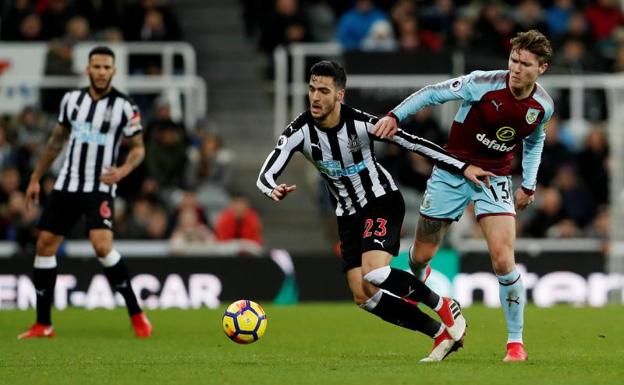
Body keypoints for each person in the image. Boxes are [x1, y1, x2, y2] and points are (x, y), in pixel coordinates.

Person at [257, 60, 495, 361]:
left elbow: (414, 143)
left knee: (374, 272)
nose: (315, 97)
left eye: (324, 91)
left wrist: (462, 167)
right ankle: (439, 334)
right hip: (347, 215)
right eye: (312, 89)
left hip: (380, 200)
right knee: (363, 295)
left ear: (339, 95)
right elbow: (267, 172)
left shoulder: (361, 123)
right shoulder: (300, 131)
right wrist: (271, 188)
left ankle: (444, 304)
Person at [373, 30, 554, 362]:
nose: (515, 68)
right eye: (513, 60)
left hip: (494, 178)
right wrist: (394, 116)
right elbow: (430, 94)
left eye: (525, 64)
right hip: (451, 172)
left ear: (541, 68)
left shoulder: (542, 105)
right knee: (422, 255)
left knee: (503, 260)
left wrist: (528, 184)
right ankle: (419, 284)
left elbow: (533, 141)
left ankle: (515, 343)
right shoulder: (481, 83)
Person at [18, 46, 152, 339]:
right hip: (67, 183)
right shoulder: (72, 100)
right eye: (97, 67)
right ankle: (43, 323)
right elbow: (55, 143)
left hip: (100, 185)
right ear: (88, 70)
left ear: (114, 71)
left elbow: (139, 148)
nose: (102, 72)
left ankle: (137, 314)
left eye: (107, 67)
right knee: (44, 245)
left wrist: (123, 170)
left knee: (102, 246)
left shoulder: (125, 107)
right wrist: (35, 178)